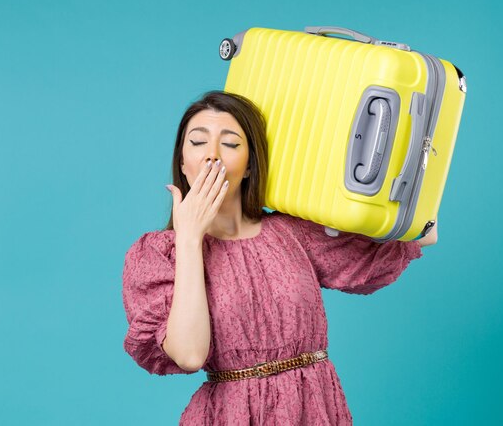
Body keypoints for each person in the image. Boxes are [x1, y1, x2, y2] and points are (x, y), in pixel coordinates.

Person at [121, 90, 437, 425]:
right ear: (183, 163)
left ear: (248, 166)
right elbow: (189, 354)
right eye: (198, 142)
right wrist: (189, 238)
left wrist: (417, 158)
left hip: (313, 409)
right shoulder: (158, 254)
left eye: (230, 144)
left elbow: (424, 233)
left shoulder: (293, 230)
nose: (212, 156)